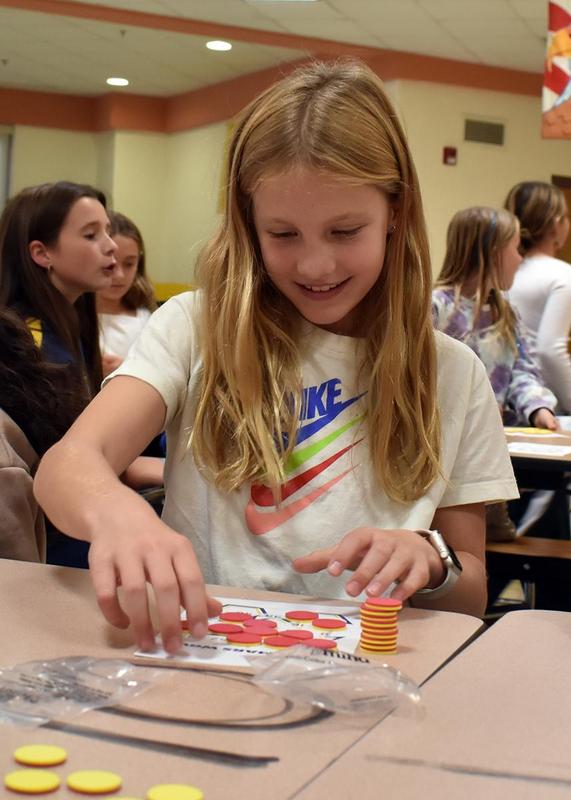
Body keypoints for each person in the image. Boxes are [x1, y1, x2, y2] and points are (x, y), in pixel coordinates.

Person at [35, 60, 518, 655]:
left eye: (345, 231)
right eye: (283, 235)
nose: (315, 265)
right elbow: (67, 465)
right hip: (201, 655)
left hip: (364, 668)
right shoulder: (196, 327)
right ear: (249, 224)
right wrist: (115, 512)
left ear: (396, 211)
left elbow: (470, 592)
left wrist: (431, 560)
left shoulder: (453, 373)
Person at [0, 182, 162, 566]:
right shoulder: (28, 340)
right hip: (48, 537)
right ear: (42, 253)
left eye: (107, 231)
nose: (110, 246)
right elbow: (63, 465)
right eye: (91, 235)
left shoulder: (70, 325)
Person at [432, 206, 558, 431]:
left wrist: (538, 408)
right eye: (516, 249)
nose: (520, 258)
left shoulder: (507, 315)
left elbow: (522, 371)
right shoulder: (436, 309)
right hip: (449, 435)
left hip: (497, 437)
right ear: (493, 253)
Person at [505, 181, 571, 413]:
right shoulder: (563, 275)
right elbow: (549, 350)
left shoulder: (504, 272)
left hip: (506, 396)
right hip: (541, 404)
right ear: (556, 224)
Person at [97, 211, 157, 378]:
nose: (119, 275)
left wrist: (127, 369)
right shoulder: (70, 319)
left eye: (129, 264)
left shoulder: (148, 322)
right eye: (110, 264)